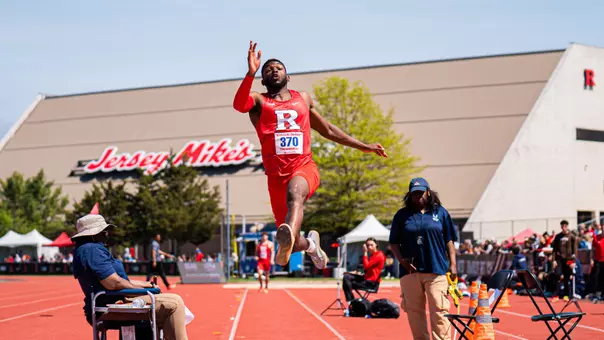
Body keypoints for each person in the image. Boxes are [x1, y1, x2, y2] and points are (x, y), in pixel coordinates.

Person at [232, 41, 387, 269]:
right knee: (292, 241)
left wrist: (362, 145)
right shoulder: (259, 101)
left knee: (295, 194)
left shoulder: (302, 98)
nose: (273, 70)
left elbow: (327, 129)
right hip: (276, 177)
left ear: (288, 76)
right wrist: (249, 74)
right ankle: (311, 245)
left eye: (278, 67)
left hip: (303, 168)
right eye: (267, 70)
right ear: (263, 80)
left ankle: (293, 240)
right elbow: (238, 104)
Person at [72, 214, 189, 340]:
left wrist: (145, 285)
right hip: (112, 305)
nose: (107, 235)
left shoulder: (86, 249)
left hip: (112, 301)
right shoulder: (92, 250)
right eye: (104, 232)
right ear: (94, 234)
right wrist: (142, 290)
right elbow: (114, 283)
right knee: (175, 303)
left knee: (166, 301)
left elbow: (117, 280)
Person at [388, 177, 458, 340]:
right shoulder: (402, 215)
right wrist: (402, 260)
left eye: (420, 193)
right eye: (414, 194)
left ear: (428, 192)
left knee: (440, 311)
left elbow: (449, 240)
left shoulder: (440, 212)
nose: (417, 196)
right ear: (410, 195)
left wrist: (453, 264)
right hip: (410, 272)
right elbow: (394, 242)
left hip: (436, 269)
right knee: (414, 313)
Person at [342, 237, 385, 305]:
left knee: (347, 281)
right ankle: (351, 301)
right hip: (366, 278)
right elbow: (368, 269)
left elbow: (367, 266)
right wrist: (355, 272)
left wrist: (365, 252)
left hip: (371, 283)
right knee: (347, 276)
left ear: (376, 245)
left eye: (371, 245)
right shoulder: (373, 255)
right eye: (367, 245)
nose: (369, 247)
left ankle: (351, 302)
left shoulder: (379, 255)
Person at [551, 220, 577, 300]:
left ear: (567, 226)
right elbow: (554, 249)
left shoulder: (572, 236)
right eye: (562, 226)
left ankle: (566, 295)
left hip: (568, 259)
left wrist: (573, 262)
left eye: (565, 226)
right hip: (559, 259)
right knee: (557, 275)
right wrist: (554, 260)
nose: (564, 228)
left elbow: (575, 250)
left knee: (567, 277)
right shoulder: (558, 236)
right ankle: (556, 295)